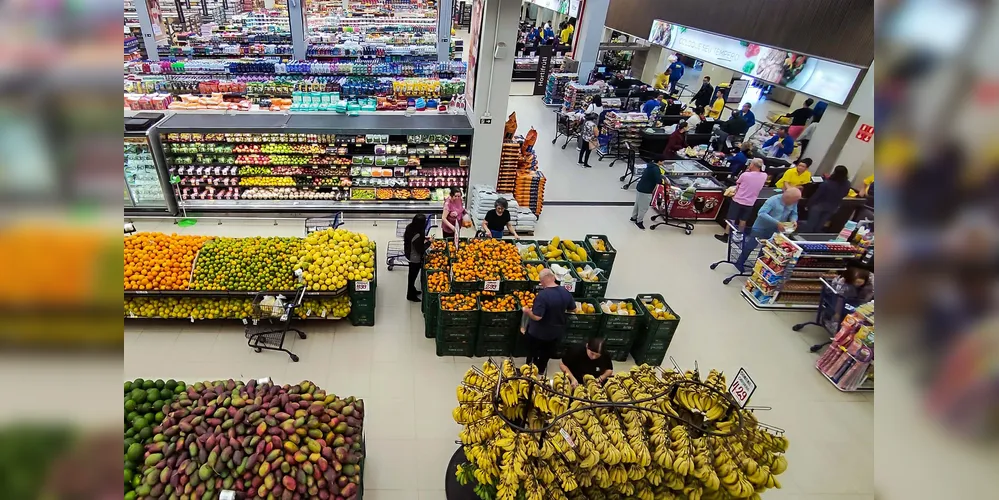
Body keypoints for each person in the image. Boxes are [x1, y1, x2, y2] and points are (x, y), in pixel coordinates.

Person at [732, 188, 802, 272]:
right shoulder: (773, 200)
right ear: (787, 197)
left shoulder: (794, 202)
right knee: (750, 246)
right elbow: (761, 213)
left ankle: (758, 267)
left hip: (775, 231)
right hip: (761, 228)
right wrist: (777, 223)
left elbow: (794, 213)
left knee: (766, 250)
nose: (794, 203)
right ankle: (739, 263)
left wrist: (794, 220)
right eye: (793, 201)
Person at [522, 268, 575, 373]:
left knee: (533, 351)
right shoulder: (565, 292)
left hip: (538, 332)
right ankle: (541, 370)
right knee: (546, 352)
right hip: (555, 331)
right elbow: (573, 309)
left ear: (542, 281)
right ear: (553, 277)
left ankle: (529, 371)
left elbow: (537, 317)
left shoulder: (543, 296)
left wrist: (527, 311)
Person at [715, 158, 767, 243]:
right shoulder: (764, 176)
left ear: (752, 165)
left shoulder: (745, 175)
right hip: (750, 202)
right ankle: (738, 237)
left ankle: (726, 236)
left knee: (731, 219)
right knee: (743, 220)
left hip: (738, 200)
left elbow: (738, 184)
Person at [800, 165, 852, 233]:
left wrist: (808, 204)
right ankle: (814, 239)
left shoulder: (827, 183)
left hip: (819, 206)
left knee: (811, 224)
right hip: (833, 207)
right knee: (820, 225)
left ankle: (804, 238)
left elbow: (817, 195)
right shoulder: (847, 184)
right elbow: (845, 194)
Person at [403, 214, 429, 302]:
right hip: (414, 257)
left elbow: (414, 241)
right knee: (412, 277)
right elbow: (420, 249)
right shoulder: (417, 234)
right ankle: (410, 295)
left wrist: (424, 238)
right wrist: (429, 243)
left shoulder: (410, 227)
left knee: (412, 276)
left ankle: (413, 290)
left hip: (409, 252)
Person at [631, 161, 664, 229]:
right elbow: (658, 180)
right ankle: (639, 221)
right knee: (644, 207)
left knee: (637, 203)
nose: (664, 162)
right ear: (659, 161)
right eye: (663, 161)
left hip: (640, 187)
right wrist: (663, 181)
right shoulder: (656, 169)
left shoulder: (649, 166)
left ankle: (634, 217)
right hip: (646, 190)